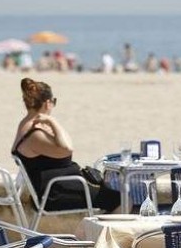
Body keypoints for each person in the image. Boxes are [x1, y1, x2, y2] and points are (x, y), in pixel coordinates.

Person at [11, 78, 120, 212]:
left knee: (109, 192)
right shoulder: (35, 135)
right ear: (47, 103)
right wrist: (53, 122)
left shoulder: (26, 126)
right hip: (55, 194)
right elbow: (68, 148)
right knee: (121, 199)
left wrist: (51, 124)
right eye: (54, 101)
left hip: (61, 187)